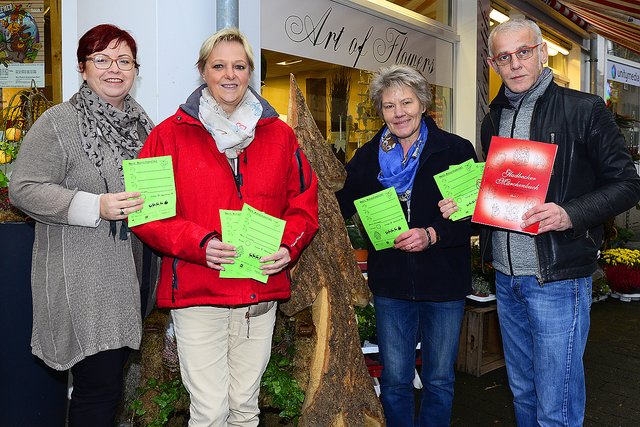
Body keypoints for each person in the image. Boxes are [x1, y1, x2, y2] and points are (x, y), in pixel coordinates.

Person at [440, 18, 640, 426]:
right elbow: (504, 193)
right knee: (524, 393)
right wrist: (469, 205)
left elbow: (627, 184)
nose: (514, 64)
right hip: (508, 280)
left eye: (523, 52)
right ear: (492, 63)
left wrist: (569, 213)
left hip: (558, 278)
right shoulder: (493, 119)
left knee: (557, 402)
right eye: (504, 57)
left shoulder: (584, 110)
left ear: (542, 52)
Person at [131, 27, 318, 426]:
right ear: (203, 72)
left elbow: (304, 206)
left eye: (239, 66)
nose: (229, 75)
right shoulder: (166, 135)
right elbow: (146, 214)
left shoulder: (281, 136)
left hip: (257, 294)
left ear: (251, 72)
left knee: (245, 408)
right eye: (219, 66)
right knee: (210, 411)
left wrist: (288, 247)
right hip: (199, 293)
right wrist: (200, 243)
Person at [9, 24, 155, 426]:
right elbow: (22, 188)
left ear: (135, 70)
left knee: (109, 387)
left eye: (124, 60)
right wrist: (95, 205)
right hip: (84, 279)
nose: (115, 69)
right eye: (102, 59)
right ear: (82, 67)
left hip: (132, 274)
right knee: (98, 390)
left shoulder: (144, 127)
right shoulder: (59, 122)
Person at [336, 64, 476, 427]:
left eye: (406, 102)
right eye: (388, 105)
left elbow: (474, 218)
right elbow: (339, 202)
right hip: (392, 285)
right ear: (380, 110)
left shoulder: (455, 150)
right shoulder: (367, 158)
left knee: (439, 380)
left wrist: (433, 234)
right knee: (395, 380)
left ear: (423, 103)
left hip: (444, 285)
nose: (399, 113)